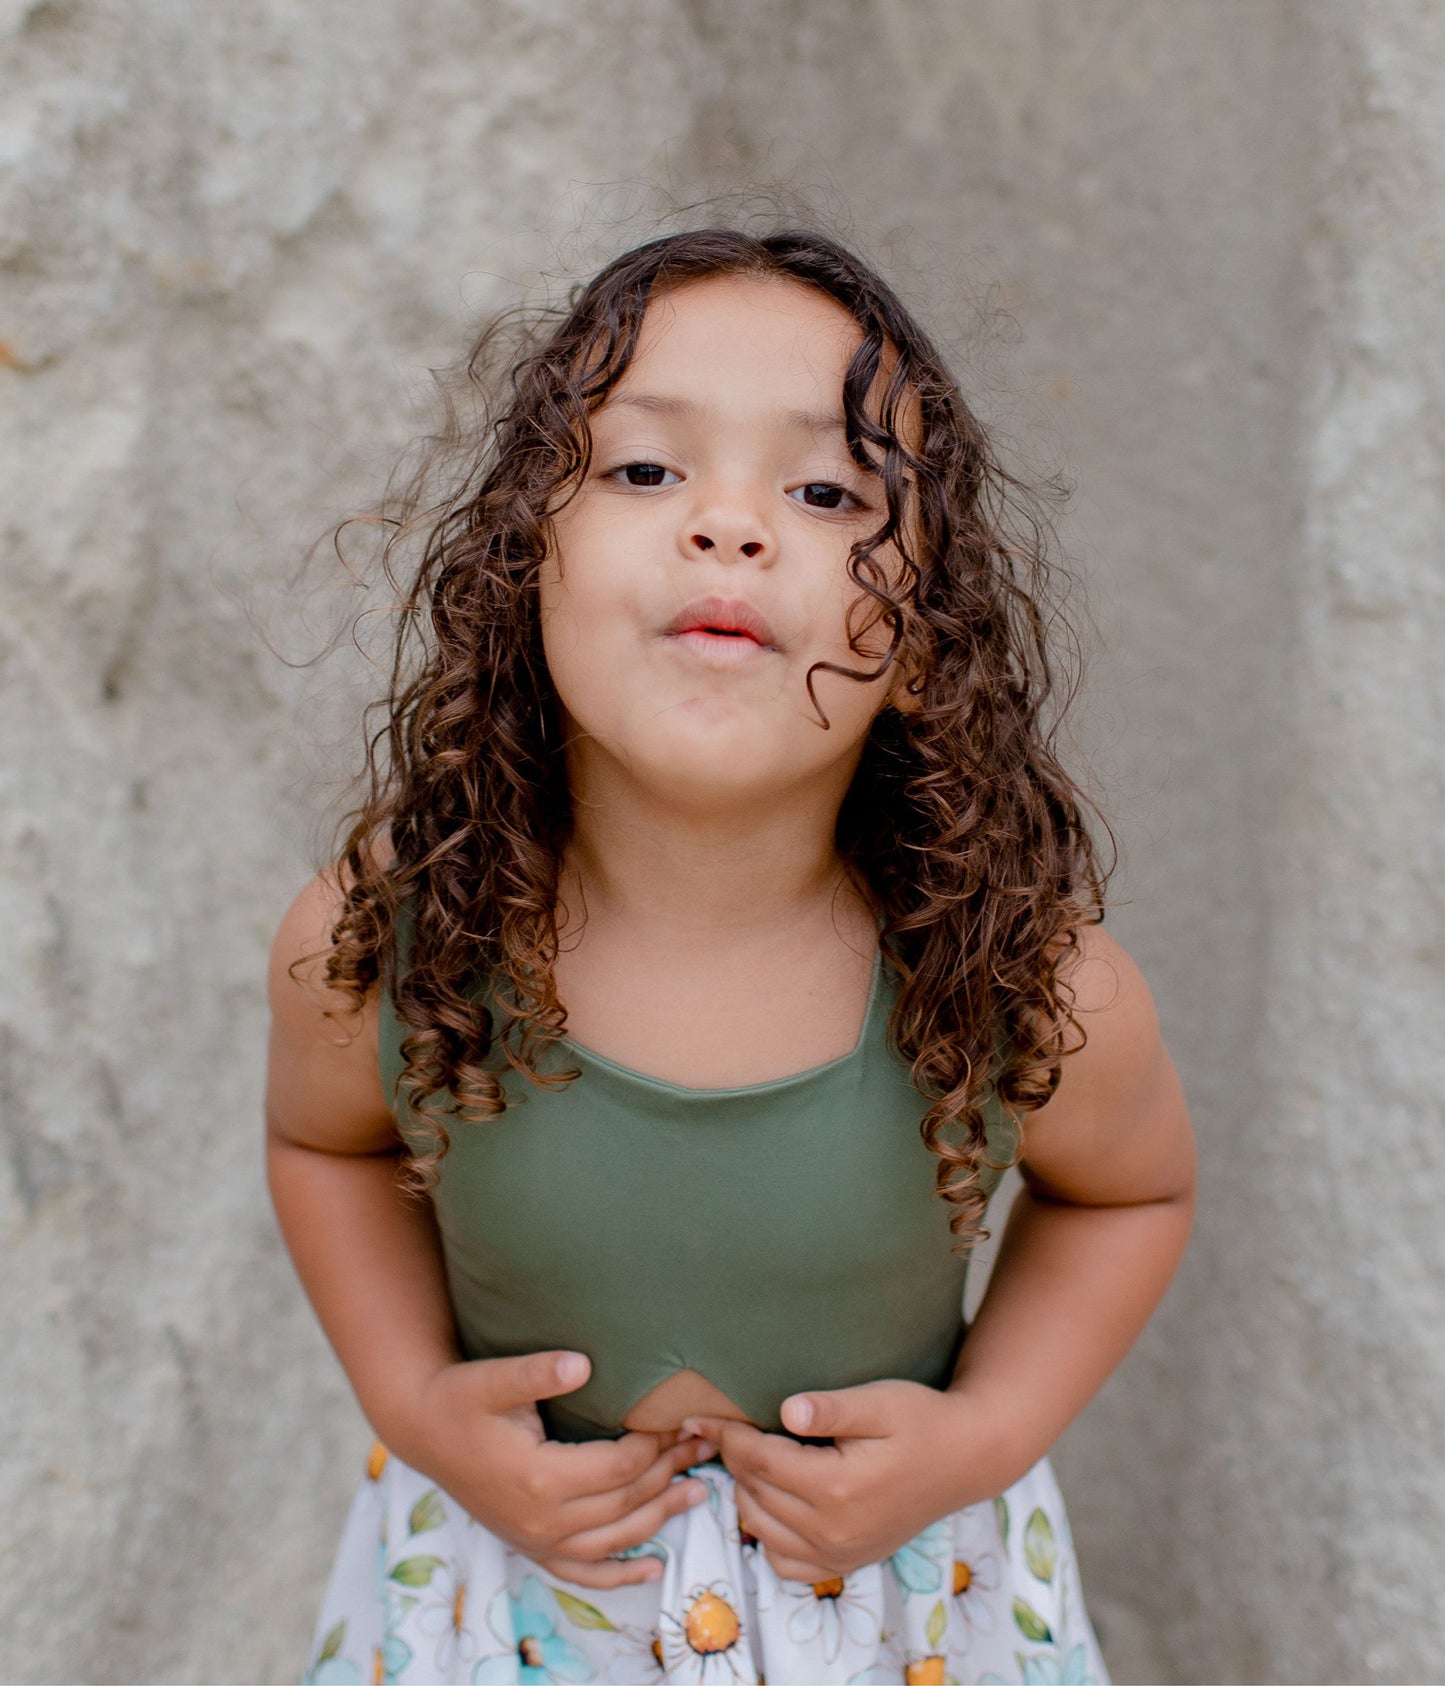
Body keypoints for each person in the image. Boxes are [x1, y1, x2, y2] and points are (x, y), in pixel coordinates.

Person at [265, 225, 1197, 1686]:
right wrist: (414, 1399)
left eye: (825, 490)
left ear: (924, 631)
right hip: (507, 1606)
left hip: (902, 1621)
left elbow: (1127, 1190)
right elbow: (324, 1151)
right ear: (524, 559)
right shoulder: (388, 938)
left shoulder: (1015, 978)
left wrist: (985, 1433)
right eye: (646, 468)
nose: (729, 523)